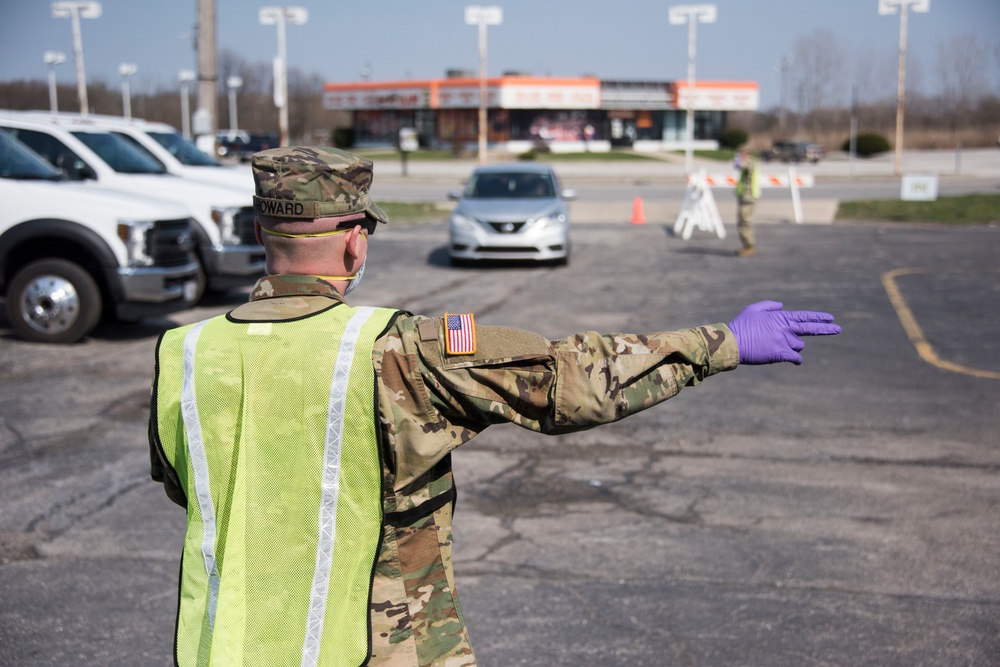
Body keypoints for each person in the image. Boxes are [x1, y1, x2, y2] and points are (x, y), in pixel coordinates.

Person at [149, 146, 841, 667]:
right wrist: (721, 342)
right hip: (377, 648)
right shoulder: (392, 350)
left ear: (263, 235)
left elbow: (193, 487)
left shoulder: (183, 355)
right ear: (355, 239)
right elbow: (568, 380)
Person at [734, 147, 760, 257]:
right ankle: (746, 245)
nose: (740, 156)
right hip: (745, 197)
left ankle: (749, 246)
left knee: (745, 222)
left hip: (748, 198)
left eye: (742, 154)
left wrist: (738, 161)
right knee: (742, 221)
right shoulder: (750, 162)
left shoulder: (749, 163)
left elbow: (739, 166)